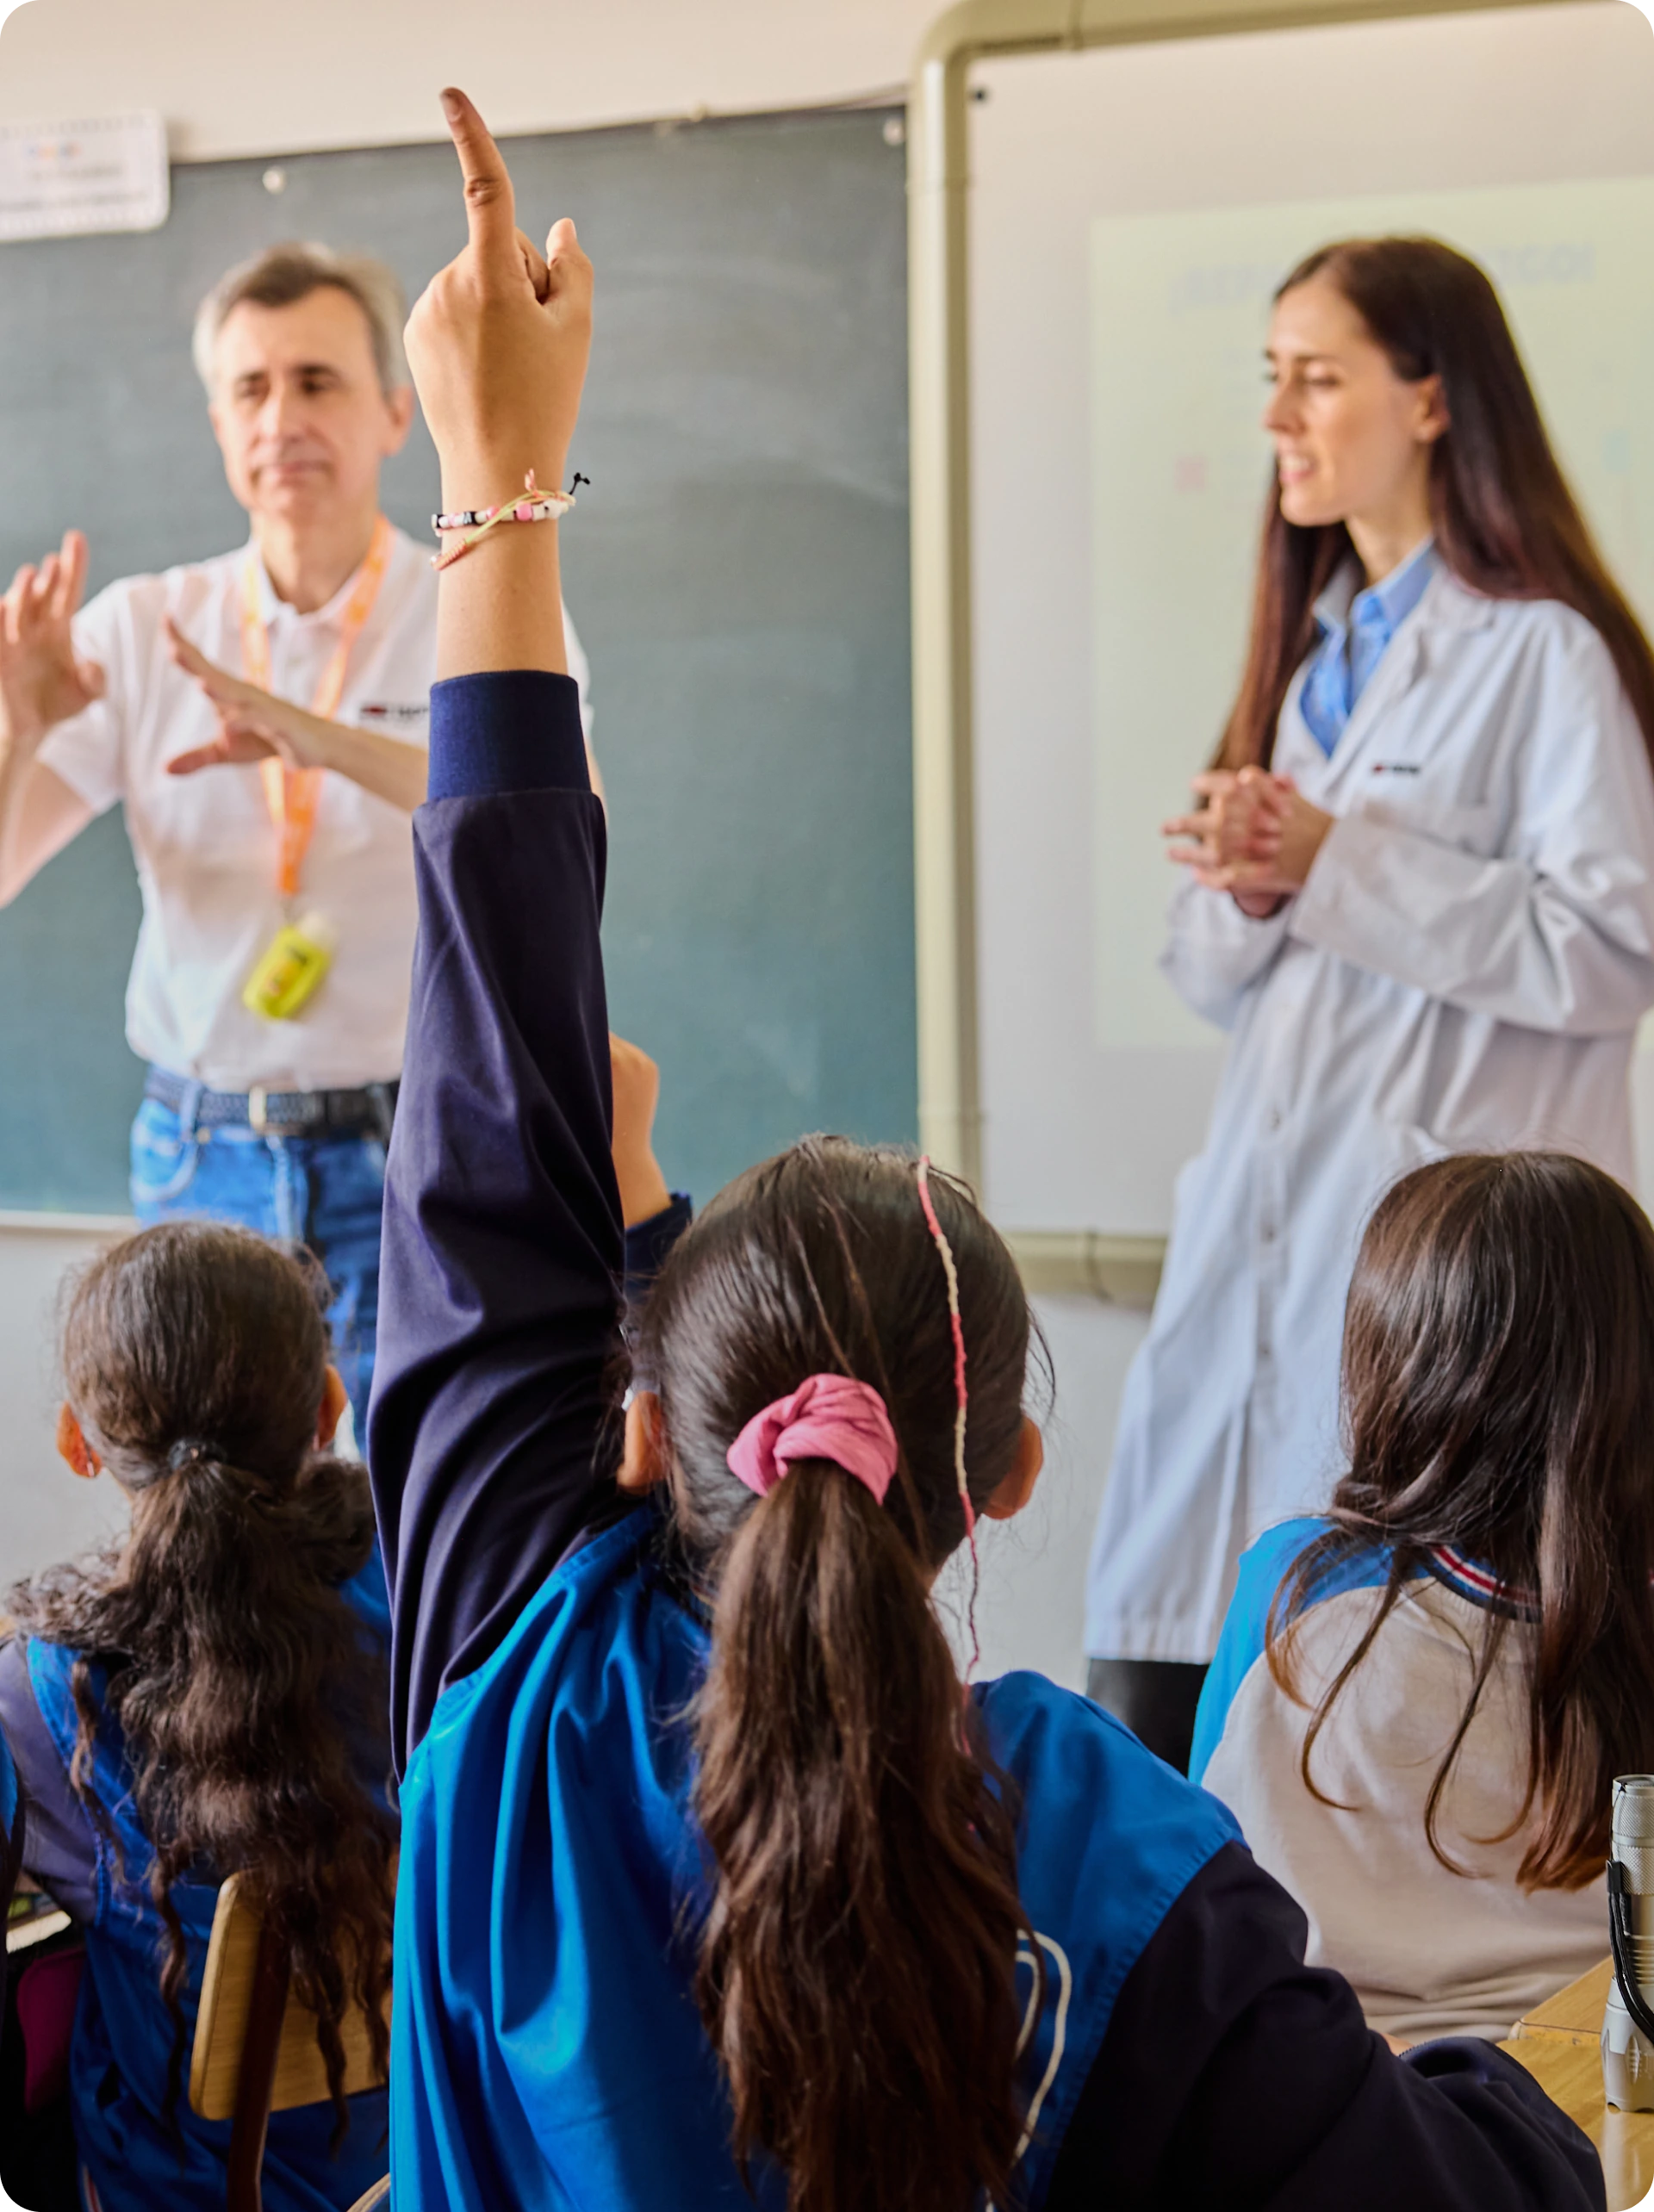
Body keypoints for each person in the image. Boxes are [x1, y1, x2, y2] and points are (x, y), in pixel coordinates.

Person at [367, 96, 1604, 2211]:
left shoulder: (506, 1692)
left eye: (1317, 368)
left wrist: (498, 498)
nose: (1285, 413)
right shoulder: (1100, 1850)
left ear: (651, 1429)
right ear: (1004, 1463)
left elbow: (491, 1055)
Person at [1085, 236, 1654, 1770]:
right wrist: (1261, 887)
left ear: (1429, 399)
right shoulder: (1313, 656)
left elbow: (1617, 944)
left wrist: (1343, 862)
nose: (1281, 411)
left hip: (1440, 1289)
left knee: (1374, 1764)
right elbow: (1212, 973)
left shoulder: (1545, 656)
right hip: (1266, 1267)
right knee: (1179, 1729)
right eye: (1268, 374)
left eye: (1316, 376)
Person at [0, 240, 594, 1432]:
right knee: (202, 1526)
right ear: (220, 426)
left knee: (394, 1518)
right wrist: (20, 726)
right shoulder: (148, 625)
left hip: (401, 1148)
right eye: (251, 390)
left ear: (393, 412)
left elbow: (556, 820)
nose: (282, 418)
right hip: (196, 1152)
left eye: (317, 382)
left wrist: (314, 737)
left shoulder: (475, 603)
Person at [1191, 1149, 1654, 2043]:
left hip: (1344, 2113)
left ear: (1393, 1371)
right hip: (1611, 2110)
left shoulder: (1296, 1588)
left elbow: (1200, 1884)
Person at [0, 1221, 397, 2211]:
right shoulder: (427, 1607)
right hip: (413, 2171)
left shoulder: (42, 1697)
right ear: (328, 1410)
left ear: (76, 1443)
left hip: (168, 2194)